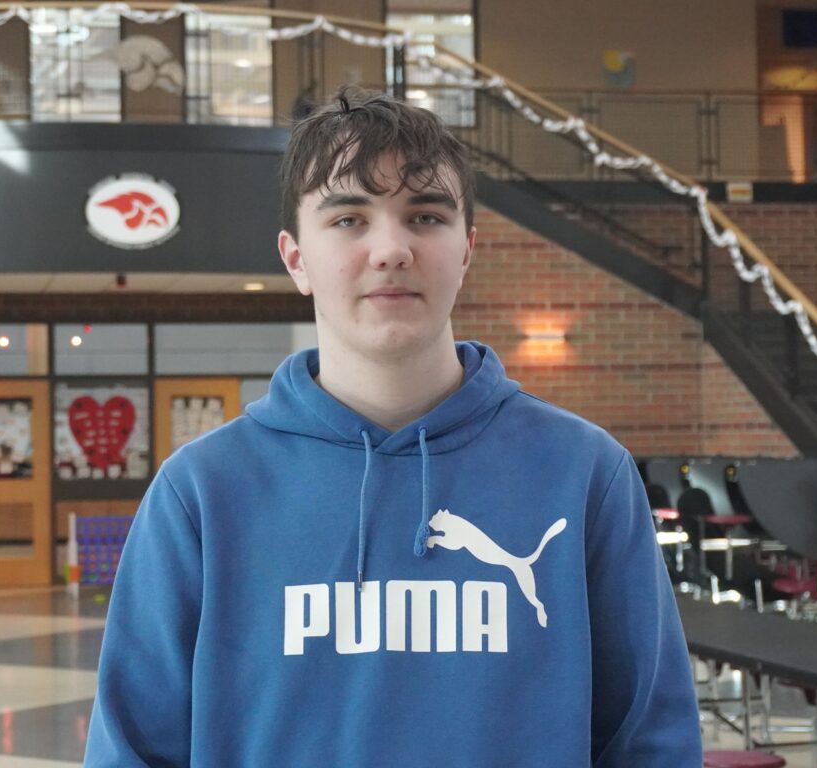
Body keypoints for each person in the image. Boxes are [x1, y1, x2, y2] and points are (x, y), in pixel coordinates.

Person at [85, 88, 703, 767]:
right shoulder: (201, 492)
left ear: (466, 250)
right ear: (296, 259)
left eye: (426, 216)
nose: (391, 249)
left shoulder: (584, 473)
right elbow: (133, 752)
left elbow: (651, 745)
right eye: (349, 218)